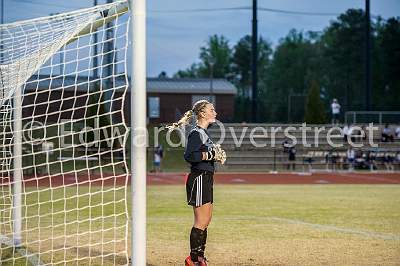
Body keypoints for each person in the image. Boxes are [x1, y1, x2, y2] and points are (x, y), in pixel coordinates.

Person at [167, 100, 226, 266]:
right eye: (212, 110)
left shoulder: (204, 133)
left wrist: (214, 155)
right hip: (199, 177)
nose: (215, 113)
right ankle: (192, 260)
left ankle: (200, 258)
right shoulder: (196, 133)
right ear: (202, 113)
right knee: (201, 221)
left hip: (206, 177)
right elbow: (189, 156)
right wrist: (211, 156)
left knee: (206, 220)